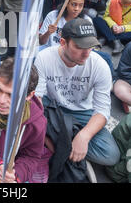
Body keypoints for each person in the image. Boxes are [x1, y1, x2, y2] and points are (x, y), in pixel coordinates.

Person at [34, 18, 120, 167]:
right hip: (52, 105)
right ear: (63, 43)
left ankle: (63, 141)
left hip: (83, 111)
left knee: (110, 155)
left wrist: (84, 136)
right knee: (27, 120)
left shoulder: (99, 65)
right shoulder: (44, 57)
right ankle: (64, 143)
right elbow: (37, 99)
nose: (86, 53)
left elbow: (102, 110)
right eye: (80, 47)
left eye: (91, 46)